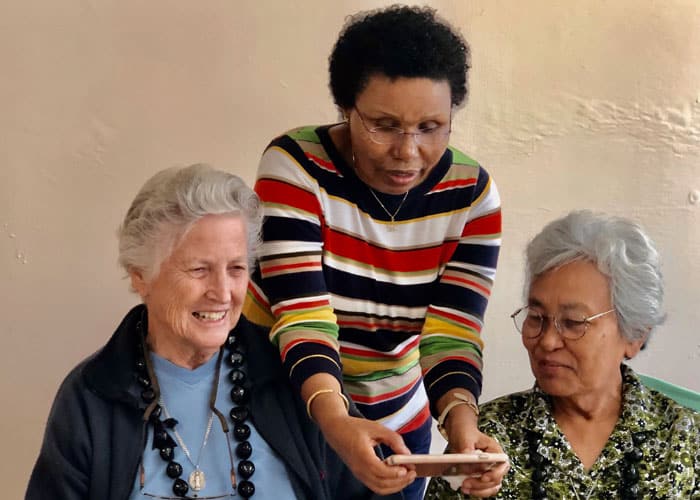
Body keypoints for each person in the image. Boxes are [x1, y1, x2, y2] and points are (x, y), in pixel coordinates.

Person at [242, 5, 506, 498]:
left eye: (431, 127)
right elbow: (303, 319)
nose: (408, 151)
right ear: (346, 107)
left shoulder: (473, 196)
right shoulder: (296, 167)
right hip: (280, 405)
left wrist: (461, 427)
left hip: (397, 420)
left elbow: (452, 333)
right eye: (383, 125)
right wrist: (336, 421)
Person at [26, 164, 400, 500]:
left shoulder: (294, 380)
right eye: (199, 270)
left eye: (236, 269)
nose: (223, 293)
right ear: (141, 276)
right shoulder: (92, 396)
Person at [425, 210, 700, 499]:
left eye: (572, 323)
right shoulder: (486, 439)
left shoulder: (685, 438)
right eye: (536, 316)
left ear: (634, 334)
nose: (548, 341)